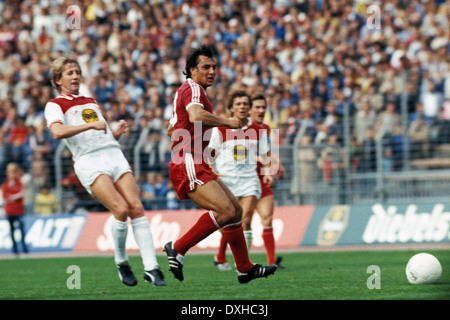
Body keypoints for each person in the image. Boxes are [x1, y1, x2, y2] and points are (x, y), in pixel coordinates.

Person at [44, 57, 165, 287]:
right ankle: (121, 261)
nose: (75, 76)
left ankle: (152, 268)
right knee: (120, 209)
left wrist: (114, 133)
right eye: (69, 72)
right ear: (58, 80)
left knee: (137, 208)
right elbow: (57, 132)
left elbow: (100, 134)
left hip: (112, 153)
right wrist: (90, 125)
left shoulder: (90, 101)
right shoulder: (55, 105)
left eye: (77, 71)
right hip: (89, 161)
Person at [165, 45, 277, 284]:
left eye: (214, 67)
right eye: (206, 67)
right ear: (192, 70)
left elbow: (173, 125)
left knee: (235, 211)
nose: (212, 71)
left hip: (197, 160)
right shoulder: (193, 89)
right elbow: (195, 116)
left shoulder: (194, 92)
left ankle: (245, 268)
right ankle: (178, 248)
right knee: (226, 211)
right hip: (188, 161)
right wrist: (227, 122)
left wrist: (183, 132)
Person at [209, 90, 272, 271]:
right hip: (226, 181)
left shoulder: (258, 130)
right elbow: (209, 153)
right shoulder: (220, 129)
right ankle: (222, 256)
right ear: (231, 108)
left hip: (249, 180)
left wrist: (267, 172)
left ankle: (243, 265)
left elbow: (266, 153)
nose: (242, 107)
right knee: (227, 222)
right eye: (238, 104)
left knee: (246, 219)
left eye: (245, 104)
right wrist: (212, 169)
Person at [248, 92, 286, 268]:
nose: (262, 110)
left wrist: (276, 164)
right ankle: (222, 258)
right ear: (249, 109)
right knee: (240, 222)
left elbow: (266, 152)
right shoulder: (239, 128)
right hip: (243, 181)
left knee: (267, 218)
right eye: (258, 107)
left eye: (264, 107)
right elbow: (236, 154)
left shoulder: (265, 129)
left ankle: (271, 262)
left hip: (261, 179)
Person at [1, 162, 29, 255]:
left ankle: (24, 249)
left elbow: (20, 194)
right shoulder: (5, 184)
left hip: (18, 210)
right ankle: (15, 250)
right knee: (12, 230)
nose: (12, 174)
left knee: (21, 230)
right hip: (9, 210)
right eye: (10, 172)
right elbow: (5, 196)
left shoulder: (19, 183)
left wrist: (11, 197)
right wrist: (13, 196)